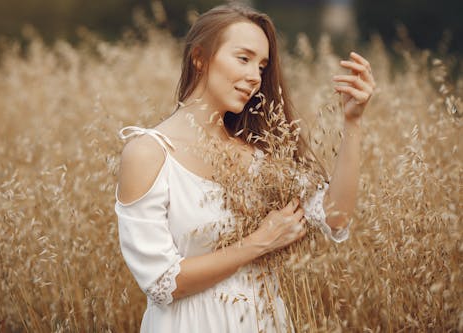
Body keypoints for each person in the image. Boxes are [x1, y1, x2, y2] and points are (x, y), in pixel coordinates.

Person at [114, 4, 375, 332]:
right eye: (243, 58)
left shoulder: (260, 153)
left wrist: (353, 121)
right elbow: (163, 283)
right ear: (200, 57)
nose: (255, 76)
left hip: (262, 321)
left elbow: (335, 216)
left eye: (262, 66)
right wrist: (260, 241)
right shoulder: (148, 153)